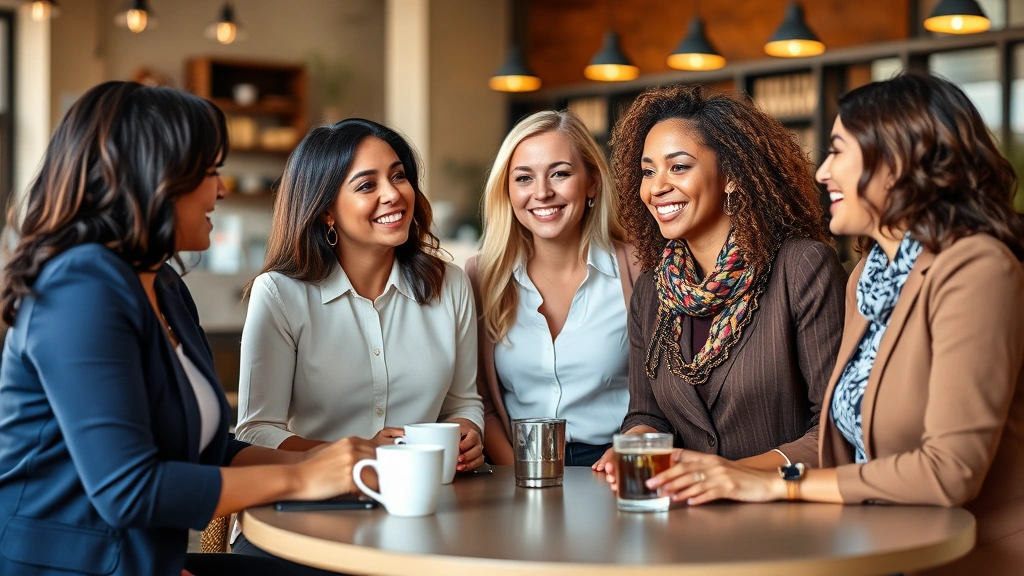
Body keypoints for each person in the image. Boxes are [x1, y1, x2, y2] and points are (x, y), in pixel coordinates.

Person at [647, 72, 1024, 575]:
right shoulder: (867, 279)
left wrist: (774, 482)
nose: (822, 172)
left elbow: (949, 472)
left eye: (839, 151)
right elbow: (843, 448)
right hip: (868, 545)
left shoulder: (978, 267)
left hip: (967, 555)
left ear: (898, 162)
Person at [0, 81, 375, 576]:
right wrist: (303, 478)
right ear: (153, 178)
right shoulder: (81, 287)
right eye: (209, 172)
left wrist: (341, 463)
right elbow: (128, 491)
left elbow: (211, 453)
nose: (221, 188)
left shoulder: (165, 286)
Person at [595, 84, 847, 480]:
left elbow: (835, 428)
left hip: (789, 519)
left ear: (731, 175)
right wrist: (634, 444)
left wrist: (734, 475)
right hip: (687, 519)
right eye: (647, 171)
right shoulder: (651, 289)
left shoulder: (801, 267)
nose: (656, 187)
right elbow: (647, 414)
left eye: (679, 167)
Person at [466, 110, 641, 468]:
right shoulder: (481, 275)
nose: (542, 193)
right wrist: (518, 475)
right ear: (508, 190)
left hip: (614, 466)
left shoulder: (638, 268)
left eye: (560, 174)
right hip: (517, 467)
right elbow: (482, 402)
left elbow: (665, 397)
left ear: (592, 181)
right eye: (524, 178)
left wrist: (625, 459)